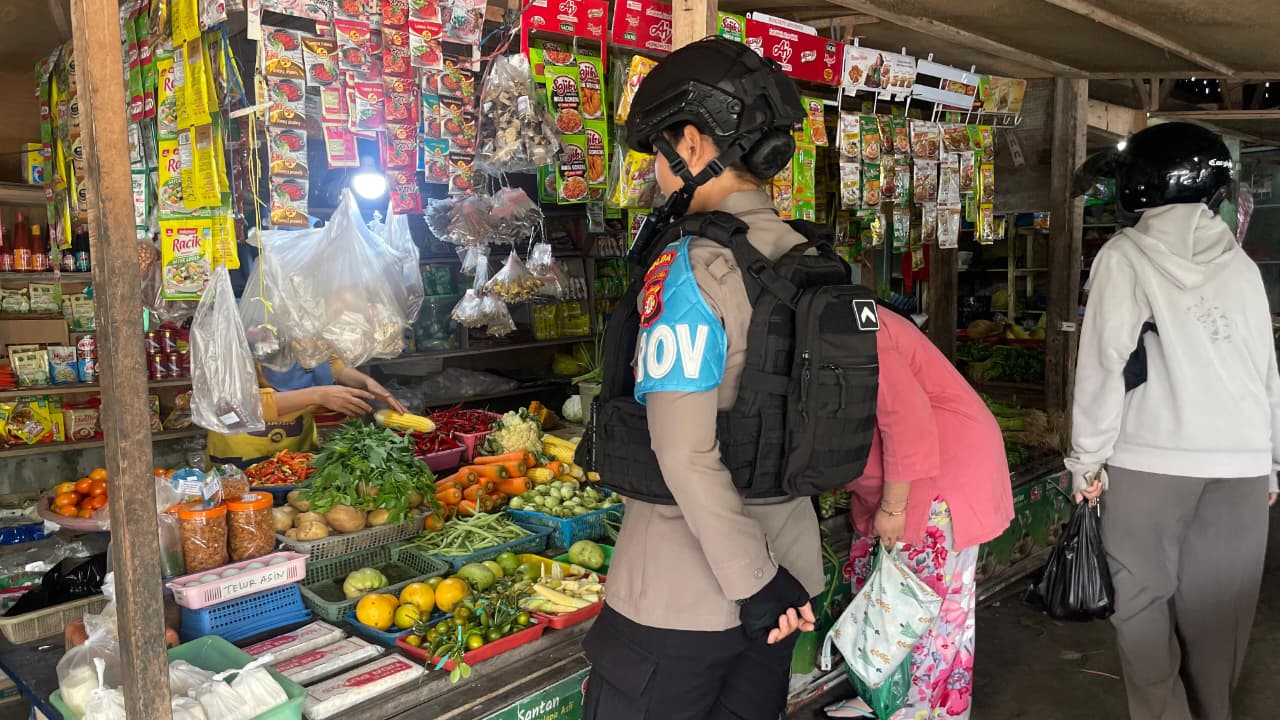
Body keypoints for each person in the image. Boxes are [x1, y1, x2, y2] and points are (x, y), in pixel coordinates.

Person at [580, 38, 830, 719]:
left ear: (691, 144)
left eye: (658, 157)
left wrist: (752, 585)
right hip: (791, 576)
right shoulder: (808, 258)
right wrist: (770, 585)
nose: (657, 178)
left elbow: (685, 451)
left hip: (688, 596)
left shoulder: (694, 267)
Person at [1067, 122, 1279, 720]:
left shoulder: (1124, 255)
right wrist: (1270, 464)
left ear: (1141, 188)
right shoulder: (1241, 268)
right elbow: (1268, 373)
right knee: (1220, 614)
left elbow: (1104, 365)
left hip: (1148, 464)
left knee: (1139, 606)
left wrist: (1086, 459)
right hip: (1240, 467)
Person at [828, 309, 1012, 719]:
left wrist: (894, 507)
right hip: (905, 472)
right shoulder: (829, 317)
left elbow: (907, 419)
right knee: (883, 594)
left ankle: (916, 710)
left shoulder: (853, 322)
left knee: (923, 606)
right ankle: (886, 699)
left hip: (941, 468)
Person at [206, 359, 405, 468]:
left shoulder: (300, 317)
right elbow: (233, 407)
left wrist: (365, 382)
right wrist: (317, 395)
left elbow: (328, 363)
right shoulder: (236, 327)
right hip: (242, 453)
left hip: (297, 453)